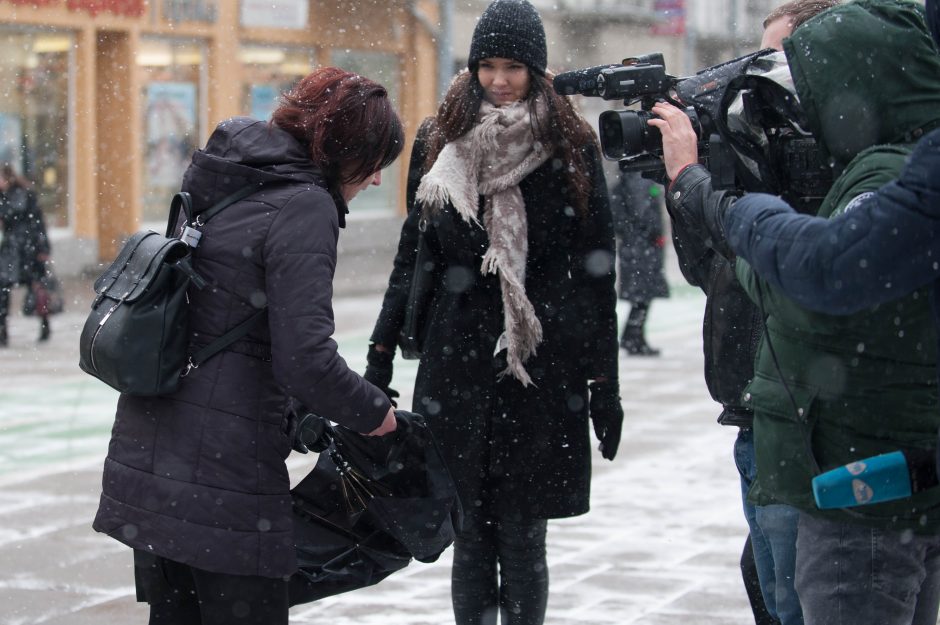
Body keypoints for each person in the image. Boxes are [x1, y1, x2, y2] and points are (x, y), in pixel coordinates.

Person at [653, 2, 940, 623]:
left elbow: (812, 282)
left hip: (857, 482)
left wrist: (713, 197)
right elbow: (715, 272)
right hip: (856, 465)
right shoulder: (892, 162)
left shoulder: (886, 173)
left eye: (800, 79)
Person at [92, 67, 402, 625]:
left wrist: (300, 411)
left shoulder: (228, 175)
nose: (376, 180)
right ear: (345, 151)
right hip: (226, 473)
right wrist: (375, 415)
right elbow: (306, 357)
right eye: (374, 162)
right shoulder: (305, 204)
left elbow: (225, 316)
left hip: (155, 446)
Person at [364, 2, 622, 623]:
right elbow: (414, 252)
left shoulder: (570, 145)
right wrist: (378, 353)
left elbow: (595, 272)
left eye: (513, 67)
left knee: (523, 533)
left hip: (540, 365)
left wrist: (603, 382)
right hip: (456, 367)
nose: (500, 80)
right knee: (469, 534)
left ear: (537, 69)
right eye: (488, 65)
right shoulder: (440, 141)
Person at [667, 2, 837, 623]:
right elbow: (708, 272)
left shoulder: (838, 160)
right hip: (751, 406)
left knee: (795, 599)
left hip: (806, 413)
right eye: (760, 58)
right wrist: (689, 180)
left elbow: (796, 263)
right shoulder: (757, 150)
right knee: (767, 586)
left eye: (781, 59)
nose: (765, 75)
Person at [608, 171, 669, 356]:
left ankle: (633, 336)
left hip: (635, 246)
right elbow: (643, 211)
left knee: (641, 296)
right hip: (642, 247)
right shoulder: (640, 179)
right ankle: (633, 337)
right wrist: (654, 232)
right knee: (642, 296)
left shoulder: (626, 180)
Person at [0, 164, 51, 345]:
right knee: (3, 289)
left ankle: (44, 323)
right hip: (11, 250)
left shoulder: (24, 195)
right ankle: (3, 329)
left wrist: (43, 248)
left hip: (28, 248)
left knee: (36, 287)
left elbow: (38, 223)